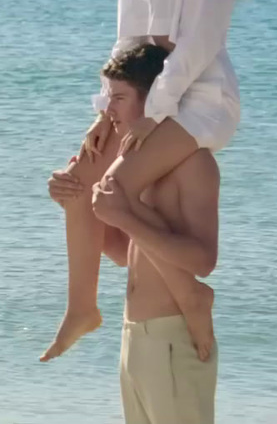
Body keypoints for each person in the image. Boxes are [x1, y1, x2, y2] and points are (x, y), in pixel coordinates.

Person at [42, 0, 243, 362]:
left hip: (199, 104)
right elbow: (126, 48)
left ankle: (191, 297)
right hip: (151, 100)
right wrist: (105, 113)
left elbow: (196, 48)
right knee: (82, 175)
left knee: (115, 186)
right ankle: (82, 307)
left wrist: (153, 114)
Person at [48, 43, 220, 423]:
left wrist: (125, 214)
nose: (108, 111)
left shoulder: (194, 163)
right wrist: (77, 204)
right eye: (108, 97)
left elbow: (203, 260)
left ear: (154, 101)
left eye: (119, 98)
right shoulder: (135, 169)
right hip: (136, 336)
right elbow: (127, 253)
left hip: (174, 339)